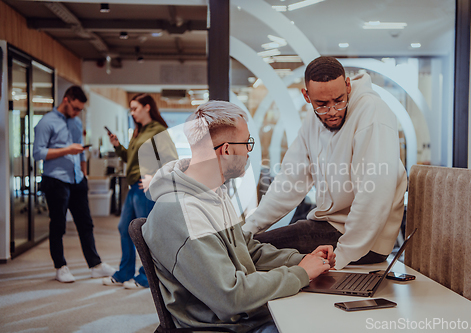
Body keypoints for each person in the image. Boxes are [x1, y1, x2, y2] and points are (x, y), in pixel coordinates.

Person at [143, 101, 335, 333]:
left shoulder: (214, 192)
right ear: (226, 150)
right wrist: (300, 274)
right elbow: (231, 296)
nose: (248, 151)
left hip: (247, 316)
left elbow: (249, 252)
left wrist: (303, 261)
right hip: (225, 327)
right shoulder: (181, 212)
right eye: (247, 143)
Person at [242, 56, 407, 270]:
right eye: (322, 104)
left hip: (364, 242)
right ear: (307, 96)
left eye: (339, 100)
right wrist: (248, 229)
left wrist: (341, 257)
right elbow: (289, 183)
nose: (332, 111)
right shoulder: (313, 121)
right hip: (327, 226)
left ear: (348, 86)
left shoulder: (372, 112)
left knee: (252, 253)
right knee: (249, 247)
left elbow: (374, 193)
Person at [33, 86, 115, 283]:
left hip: (77, 179)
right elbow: (38, 153)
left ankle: (95, 265)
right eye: (76, 108)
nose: (78, 113)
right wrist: (66, 150)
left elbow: (80, 150)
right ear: (66, 99)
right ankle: (60, 266)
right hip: (56, 180)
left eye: (80, 109)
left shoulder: (76, 123)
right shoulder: (46, 122)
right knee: (58, 225)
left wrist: (84, 172)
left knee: (86, 223)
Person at [103, 93, 178, 289]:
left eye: (135, 108)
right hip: (134, 188)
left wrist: (154, 177)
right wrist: (118, 146)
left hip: (147, 189)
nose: (132, 113)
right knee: (124, 228)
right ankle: (124, 273)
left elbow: (171, 160)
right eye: (131, 109)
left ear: (147, 107)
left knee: (147, 233)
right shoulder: (139, 131)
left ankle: (146, 277)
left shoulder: (158, 131)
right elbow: (130, 158)